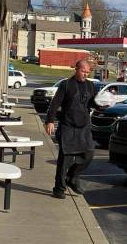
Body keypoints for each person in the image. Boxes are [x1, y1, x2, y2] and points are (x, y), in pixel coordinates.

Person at [45, 60, 101, 199]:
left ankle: (72, 177)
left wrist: (103, 104)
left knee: (89, 154)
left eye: (87, 72)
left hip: (84, 127)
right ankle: (59, 188)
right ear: (76, 69)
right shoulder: (66, 84)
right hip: (67, 127)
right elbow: (55, 103)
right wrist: (50, 121)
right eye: (83, 71)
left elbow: (94, 103)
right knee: (65, 160)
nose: (85, 74)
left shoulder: (90, 85)